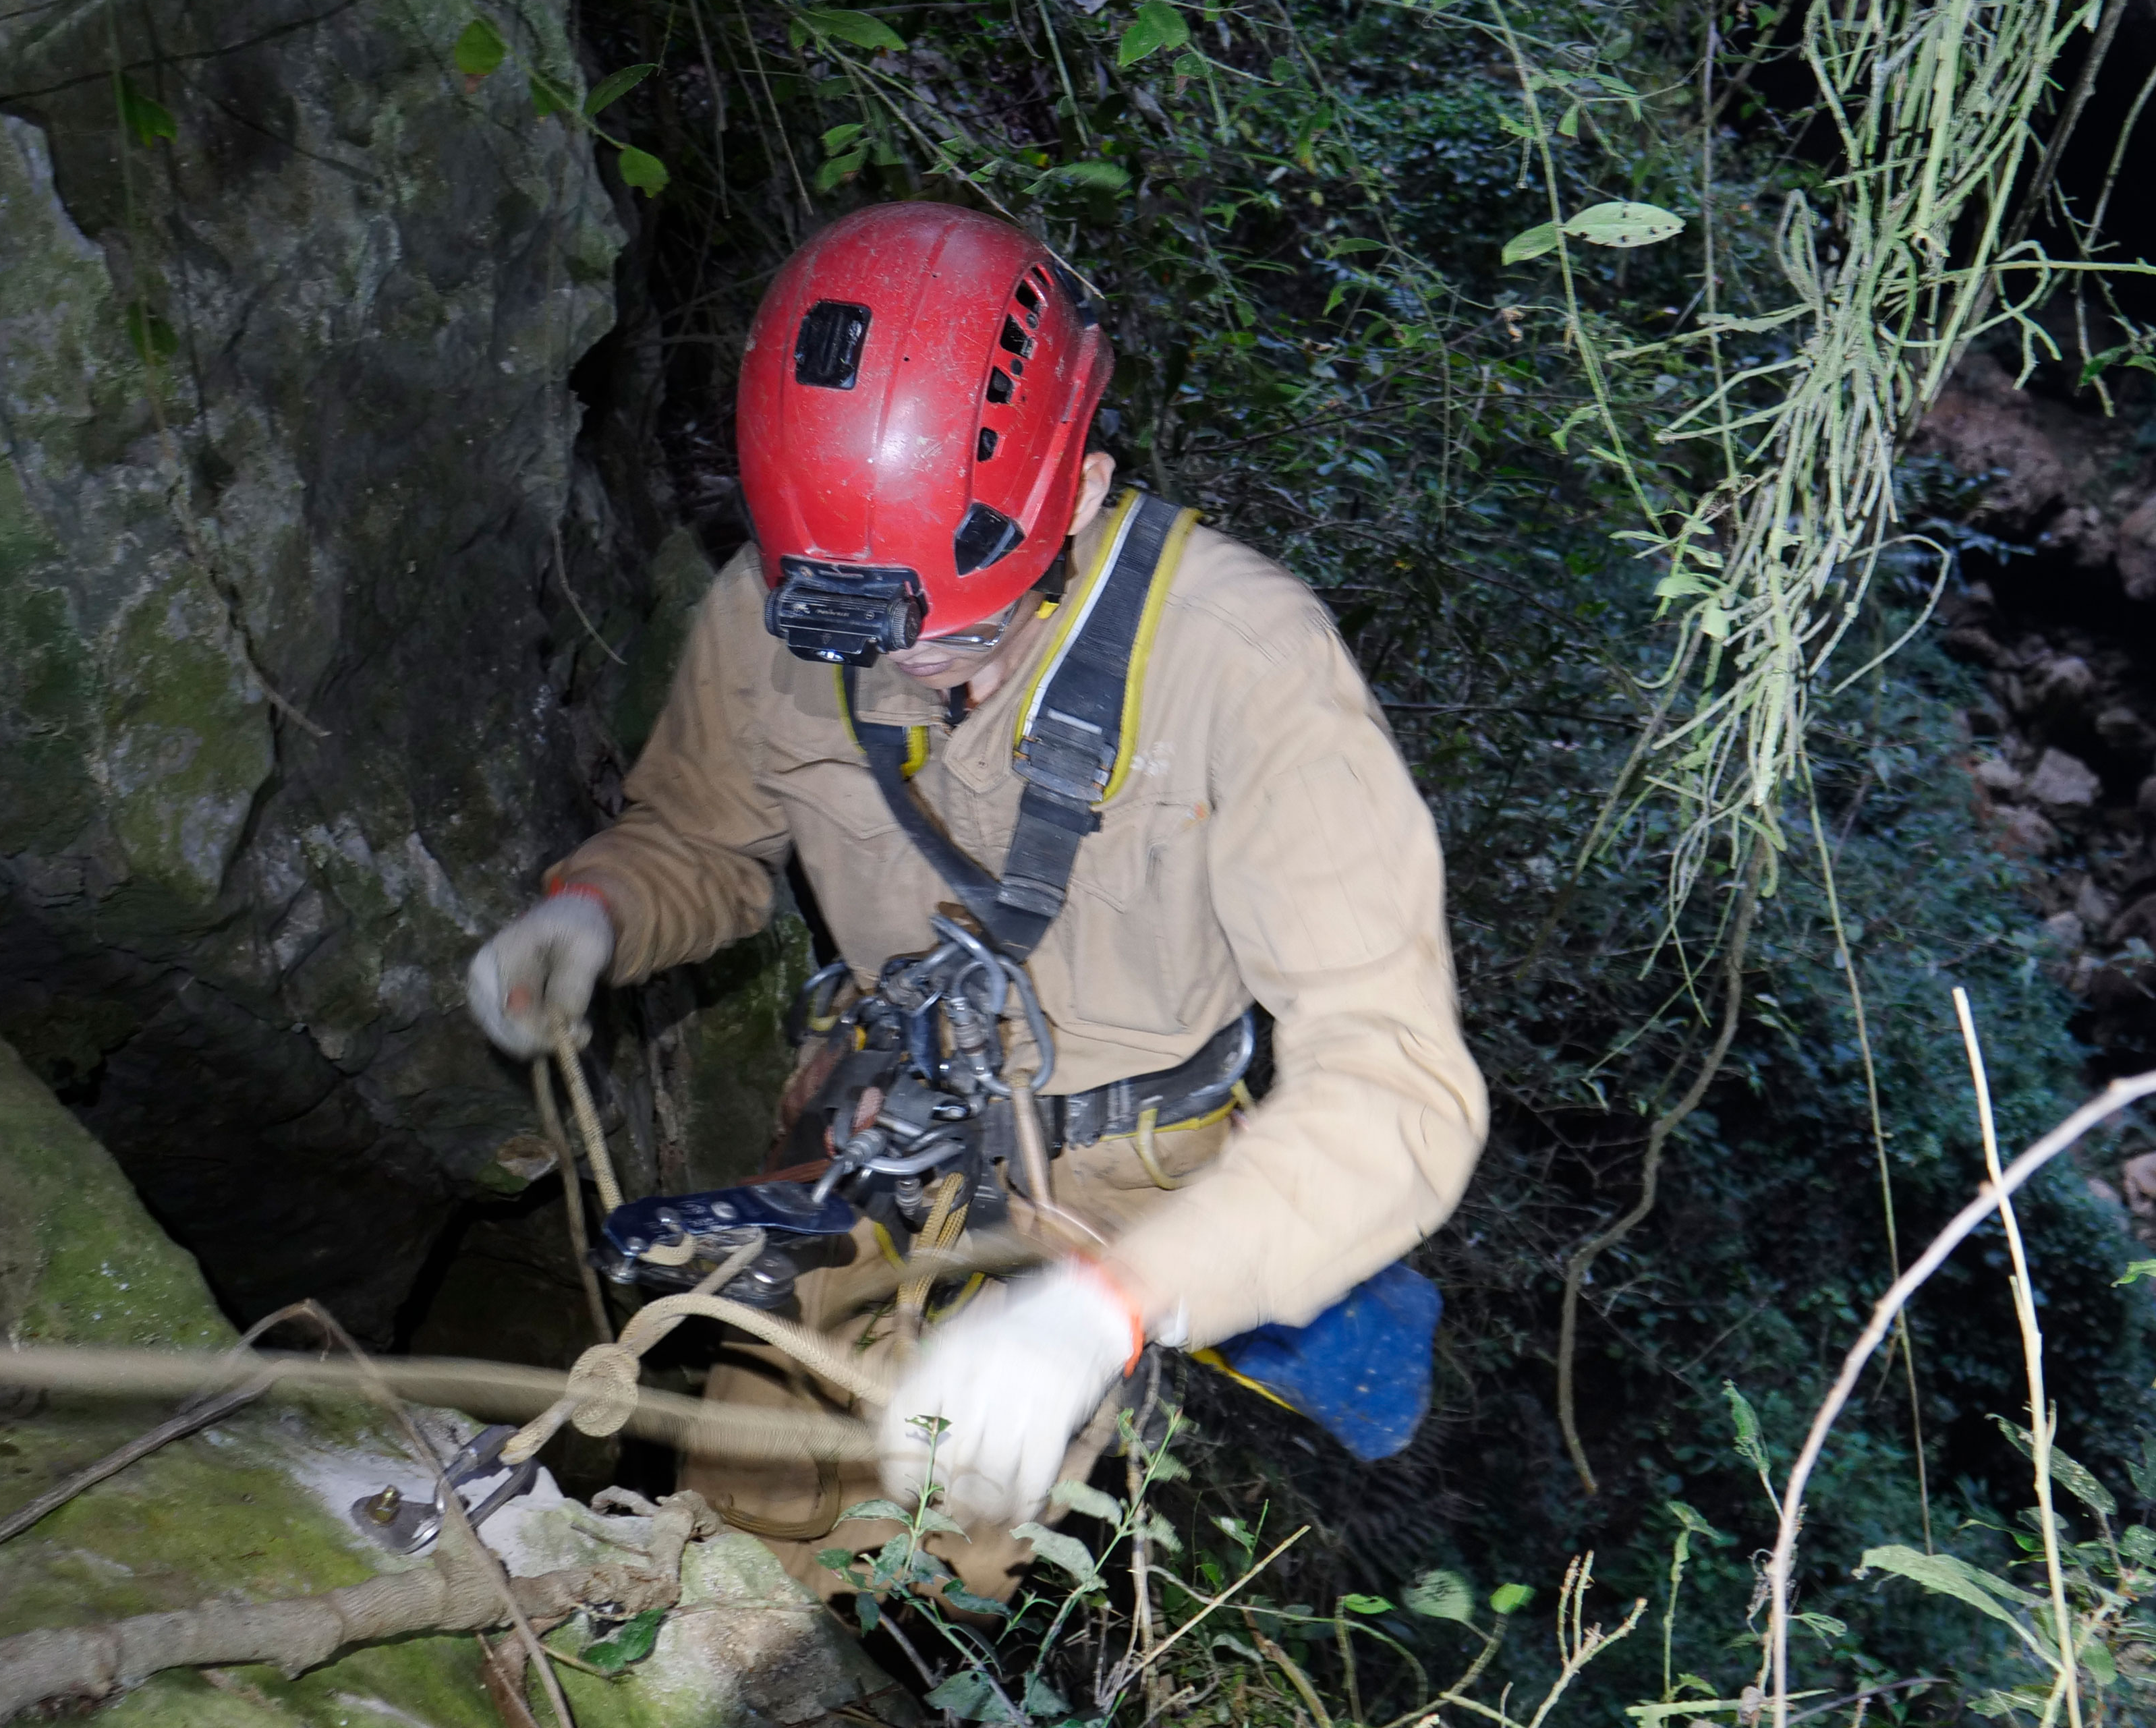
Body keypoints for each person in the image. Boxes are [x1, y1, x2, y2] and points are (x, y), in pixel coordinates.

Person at [467, 200, 1483, 1598]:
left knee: (931, 1571)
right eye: (866, 636)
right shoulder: (782, 599)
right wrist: (597, 913)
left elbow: (1399, 1093)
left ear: (1072, 495)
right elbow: (702, 834)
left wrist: (1101, 1310)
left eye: (956, 632)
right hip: (869, 1132)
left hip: (1119, 1192)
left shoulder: (1247, 668)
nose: (920, 675)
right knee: (725, 1532)